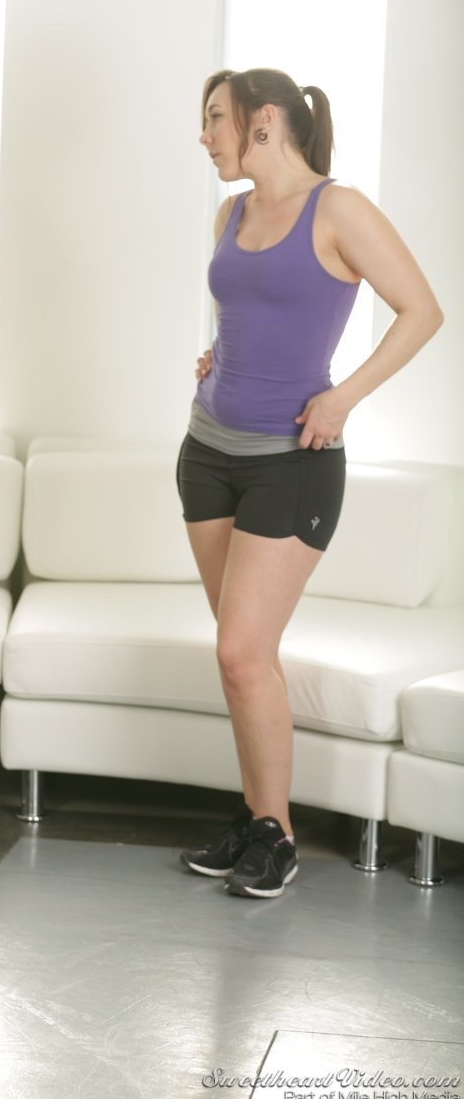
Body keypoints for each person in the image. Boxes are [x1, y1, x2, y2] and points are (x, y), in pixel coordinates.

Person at [177, 67, 442, 898]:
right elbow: (249, 312)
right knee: (240, 660)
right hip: (205, 451)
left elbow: (422, 310)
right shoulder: (230, 212)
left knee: (240, 651)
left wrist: (342, 397)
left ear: (262, 120)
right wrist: (220, 355)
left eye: (214, 119)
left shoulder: (339, 208)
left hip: (291, 461)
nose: (204, 136)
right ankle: (256, 818)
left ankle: (278, 837)